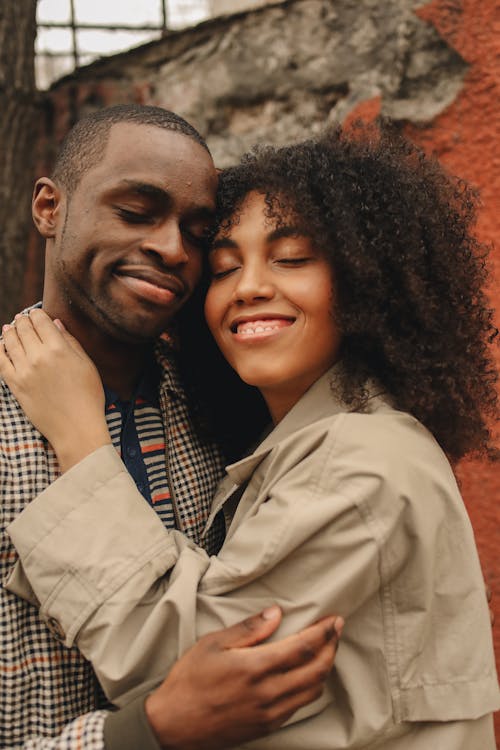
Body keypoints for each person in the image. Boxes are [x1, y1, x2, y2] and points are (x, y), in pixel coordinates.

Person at [2, 125, 499, 748]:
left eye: (291, 259)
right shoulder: (256, 437)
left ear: (365, 279)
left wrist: (80, 438)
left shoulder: (361, 458)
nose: (248, 286)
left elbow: (194, 674)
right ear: (48, 207)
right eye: (225, 266)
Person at [0, 104, 342, 750]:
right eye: (136, 212)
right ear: (49, 207)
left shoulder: (231, 407)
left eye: (197, 232)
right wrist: (141, 734)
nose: (171, 248)